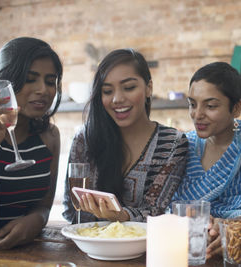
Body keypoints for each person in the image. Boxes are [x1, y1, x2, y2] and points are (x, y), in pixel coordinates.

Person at [62, 49, 188, 223]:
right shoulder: (85, 138)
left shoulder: (173, 143)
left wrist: (121, 216)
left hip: (146, 248)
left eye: (129, 88)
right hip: (88, 245)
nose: (117, 99)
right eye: (107, 91)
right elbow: (71, 209)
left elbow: (158, 212)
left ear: (149, 88)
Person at [173, 62, 241, 258]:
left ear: (236, 108)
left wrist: (229, 226)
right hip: (191, 251)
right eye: (192, 104)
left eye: (210, 106)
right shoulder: (184, 146)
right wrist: (199, 219)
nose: (197, 115)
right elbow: (170, 207)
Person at [0, 37, 63, 249]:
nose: (43, 89)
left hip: (29, 254)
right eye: (30, 78)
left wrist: (36, 220)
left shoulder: (50, 136)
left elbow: (43, 205)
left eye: (50, 81)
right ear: (6, 82)